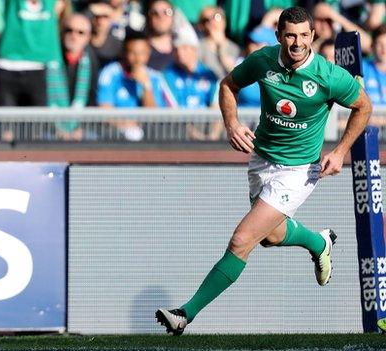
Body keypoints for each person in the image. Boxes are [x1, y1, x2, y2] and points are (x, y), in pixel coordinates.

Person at [156, 6, 373, 335]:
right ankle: (318, 242)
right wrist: (231, 123)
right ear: (278, 36)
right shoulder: (264, 60)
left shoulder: (328, 76)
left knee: (242, 240)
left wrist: (340, 151)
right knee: (270, 237)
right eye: (290, 35)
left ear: (313, 36)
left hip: (299, 170)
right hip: (261, 159)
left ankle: (185, 314)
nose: (296, 43)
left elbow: (363, 106)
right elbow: (228, 85)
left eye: (303, 35)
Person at [97, 30, 170, 141]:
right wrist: (128, 125)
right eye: (132, 53)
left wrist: (146, 86)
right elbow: (105, 110)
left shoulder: (155, 77)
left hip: (146, 134)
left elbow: (154, 116)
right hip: (114, 133)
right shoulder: (110, 73)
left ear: (148, 53)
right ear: (124, 52)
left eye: (142, 53)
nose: (137, 58)